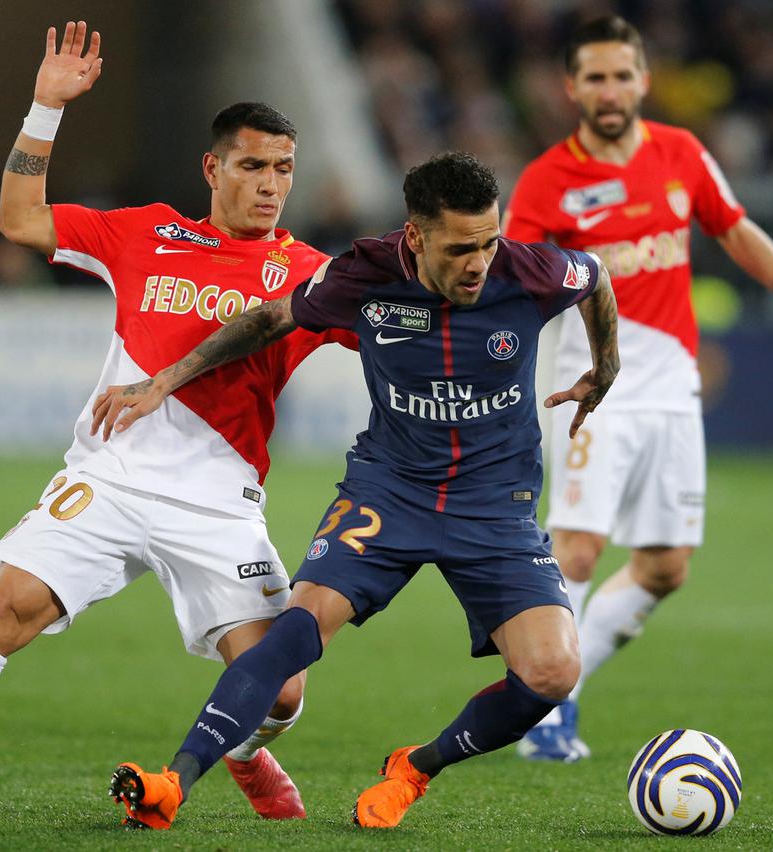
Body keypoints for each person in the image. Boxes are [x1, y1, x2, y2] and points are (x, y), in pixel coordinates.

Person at [0, 21, 355, 826]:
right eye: (252, 166)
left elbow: (402, 334)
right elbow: (18, 218)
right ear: (213, 168)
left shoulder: (311, 275)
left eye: (283, 168)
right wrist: (46, 108)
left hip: (218, 502)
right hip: (111, 479)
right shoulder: (148, 233)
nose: (270, 185)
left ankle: (244, 750)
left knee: (280, 689)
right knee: (2, 612)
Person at [89, 151, 620, 829]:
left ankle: (415, 769)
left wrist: (606, 366)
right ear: (415, 236)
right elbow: (269, 320)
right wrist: (165, 379)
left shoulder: (529, 270)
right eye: (460, 249)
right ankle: (175, 781)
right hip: (390, 490)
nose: (480, 264)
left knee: (553, 673)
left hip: (495, 506)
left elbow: (595, 276)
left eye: (489, 242)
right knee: (297, 630)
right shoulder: (364, 274)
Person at [503, 15, 773, 762]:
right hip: (593, 385)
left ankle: (561, 686)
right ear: (572, 88)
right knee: (580, 548)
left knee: (665, 567)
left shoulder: (681, 153)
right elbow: (511, 282)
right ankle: (545, 706)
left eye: (621, 75)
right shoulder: (548, 181)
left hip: (672, 388)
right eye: (595, 77)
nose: (610, 90)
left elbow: (735, 226)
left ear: (643, 80)